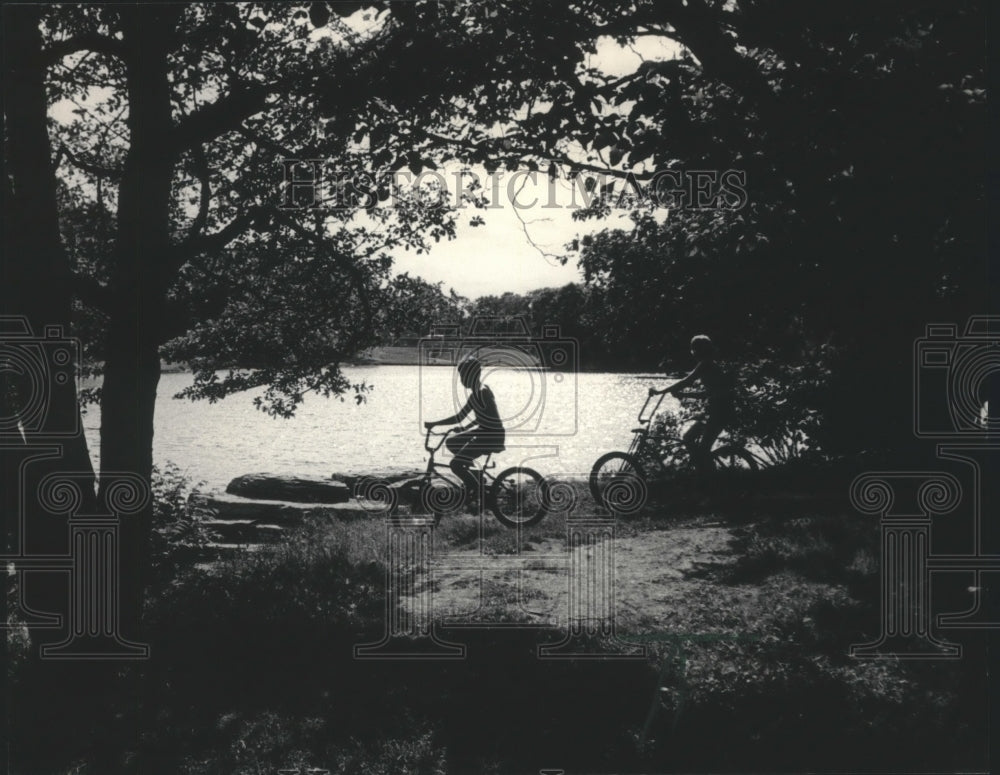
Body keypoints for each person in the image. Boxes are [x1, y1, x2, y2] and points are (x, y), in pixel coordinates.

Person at [425, 355, 506, 509]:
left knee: (455, 464)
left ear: (471, 375)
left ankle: (479, 492)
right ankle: (474, 475)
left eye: (463, 375)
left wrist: (434, 424)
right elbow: (482, 416)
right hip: (485, 431)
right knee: (451, 442)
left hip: (490, 435)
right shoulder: (479, 391)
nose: (461, 380)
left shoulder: (481, 393)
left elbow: (459, 417)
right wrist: (465, 429)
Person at [649, 335, 735, 474]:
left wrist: (660, 391)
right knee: (688, 438)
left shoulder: (705, 364)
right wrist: (683, 395)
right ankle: (702, 471)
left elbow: (687, 380)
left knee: (703, 448)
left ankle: (710, 479)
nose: (693, 353)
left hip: (719, 413)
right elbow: (707, 393)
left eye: (694, 349)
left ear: (699, 351)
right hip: (713, 411)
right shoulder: (709, 365)